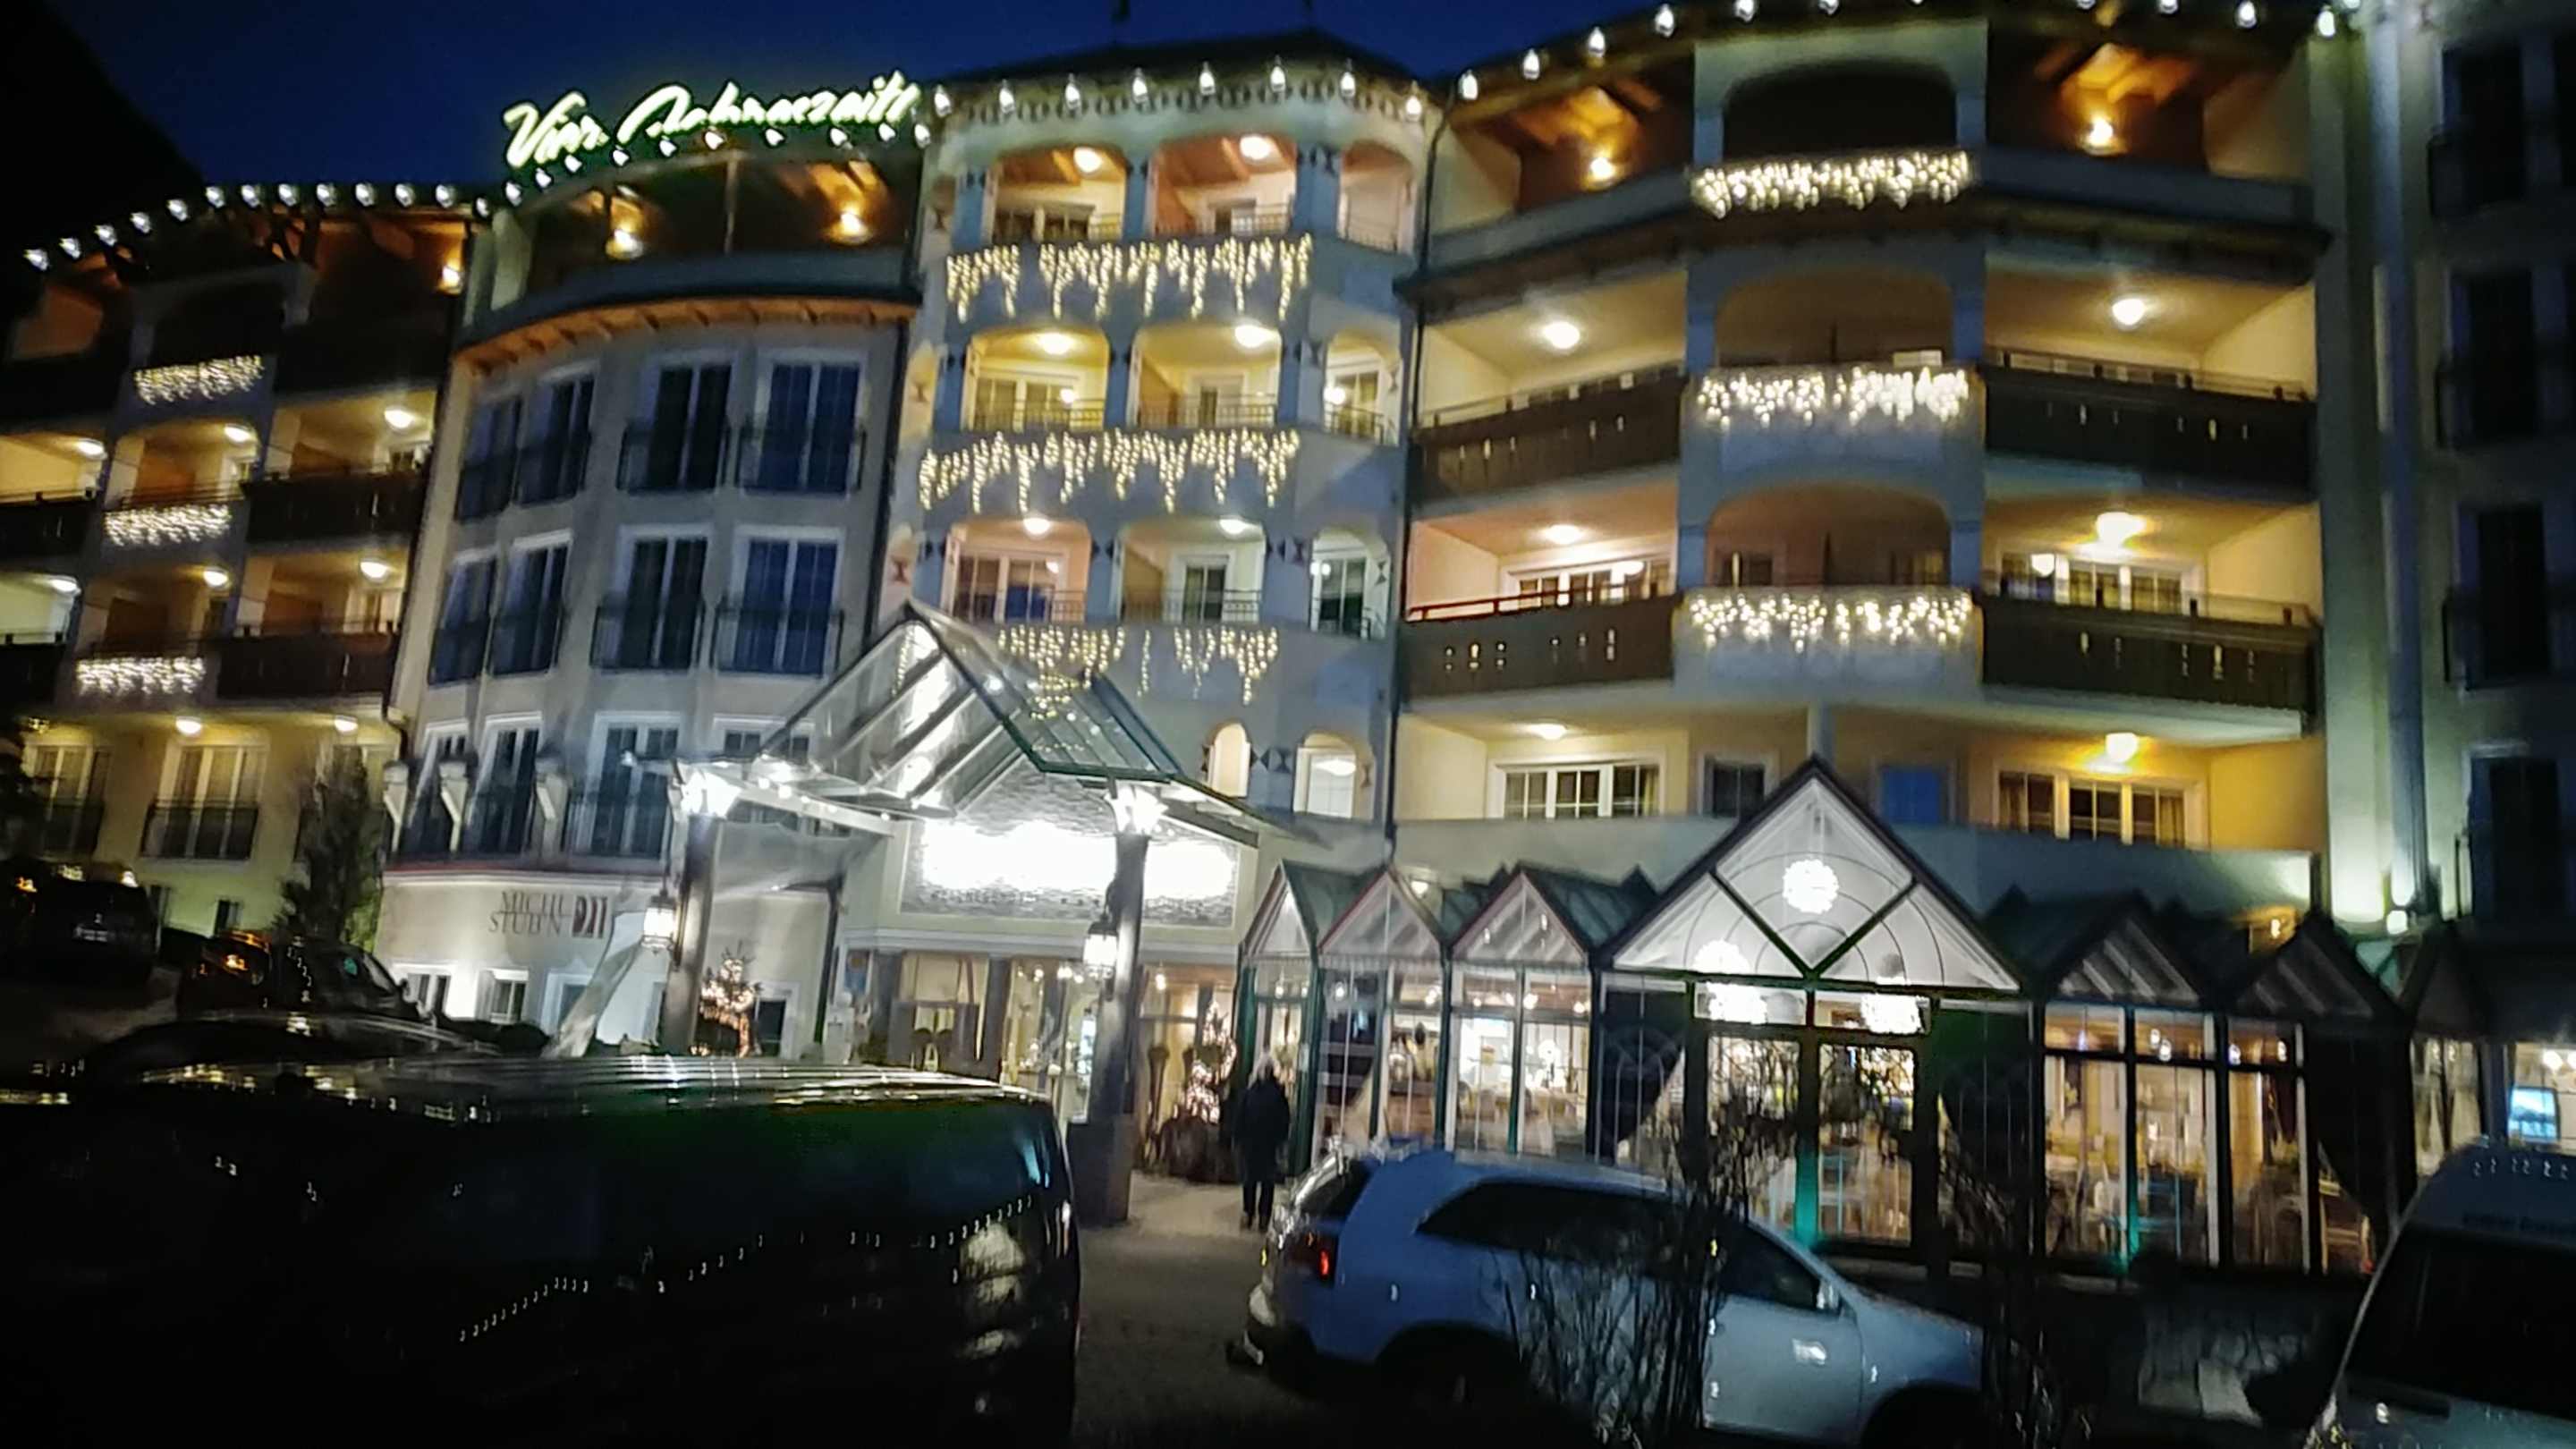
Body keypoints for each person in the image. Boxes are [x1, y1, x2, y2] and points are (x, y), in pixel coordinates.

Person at [1235, 1056, 1291, 1231]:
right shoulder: (1277, 1094)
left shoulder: (1251, 1093)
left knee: (1251, 1180)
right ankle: (1262, 1216)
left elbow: (1241, 1117)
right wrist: (1280, 1140)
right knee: (1265, 1181)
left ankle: (1250, 1213)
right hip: (1267, 1144)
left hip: (1254, 1144)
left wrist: (1239, 1138)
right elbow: (1284, 1119)